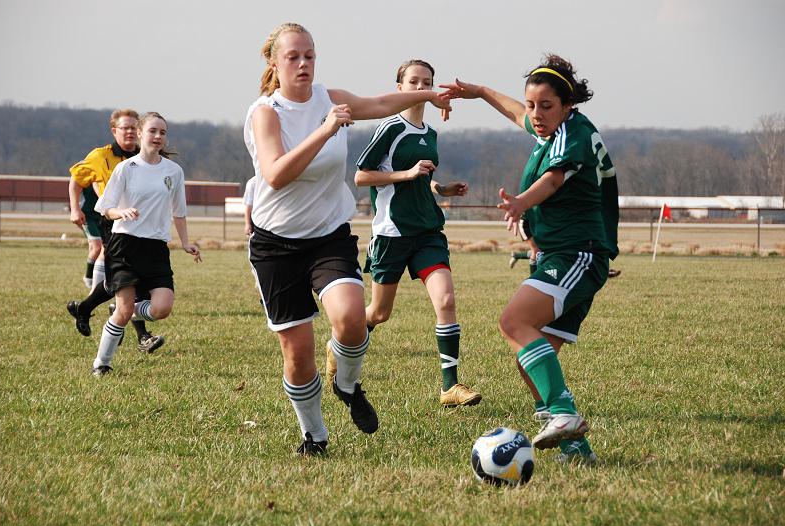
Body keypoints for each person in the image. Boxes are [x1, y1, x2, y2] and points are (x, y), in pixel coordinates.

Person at [244, 23, 451, 456]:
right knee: (298, 355)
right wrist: (325, 130)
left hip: (328, 236)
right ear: (274, 63)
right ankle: (314, 435)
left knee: (353, 318)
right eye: (293, 57)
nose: (304, 64)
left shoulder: (329, 97)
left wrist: (427, 96)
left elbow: (378, 102)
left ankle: (348, 385)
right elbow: (277, 174)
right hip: (275, 245)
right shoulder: (266, 113)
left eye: (310, 56)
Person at [441, 54, 619, 464]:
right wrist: (480, 91)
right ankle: (577, 450)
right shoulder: (555, 129)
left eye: (546, 106)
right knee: (531, 360)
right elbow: (517, 112)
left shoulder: (572, 136)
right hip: (563, 254)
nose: (535, 115)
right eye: (533, 105)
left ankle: (564, 416)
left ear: (568, 104)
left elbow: (553, 180)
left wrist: (520, 203)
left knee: (513, 323)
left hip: (577, 254)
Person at [351, 59, 481, 408]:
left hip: (427, 230)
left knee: (446, 301)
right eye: (414, 81)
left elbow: (421, 176)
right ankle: (343, 344)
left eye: (427, 81)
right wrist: (405, 174)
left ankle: (450, 387)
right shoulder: (390, 128)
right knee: (378, 314)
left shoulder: (431, 133)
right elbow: (361, 177)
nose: (421, 86)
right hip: (392, 233)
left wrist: (441, 188)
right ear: (400, 88)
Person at [90, 112, 201, 375]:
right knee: (125, 309)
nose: (158, 136)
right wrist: (122, 212)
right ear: (140, 134)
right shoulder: (126, 168)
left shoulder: (173, 171)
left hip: (155, 249)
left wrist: (185, 243)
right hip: (124, 244)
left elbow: (179, 212)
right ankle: (101, 364)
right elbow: (105, 208)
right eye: (153, 131)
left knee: (162, 308)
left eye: (163, 132)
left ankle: (123, 311)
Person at [66, 109, 165, 354]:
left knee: (123, 280)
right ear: (114, 131)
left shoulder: (147, 156)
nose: (130, 132)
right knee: (130, 277)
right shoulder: (101, 156)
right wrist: (74, 209)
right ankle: (142, 336)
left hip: (142, 225)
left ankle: (86, 308)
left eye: (134, 127)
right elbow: (77, 180)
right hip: (114, 223)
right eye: (125, 128)